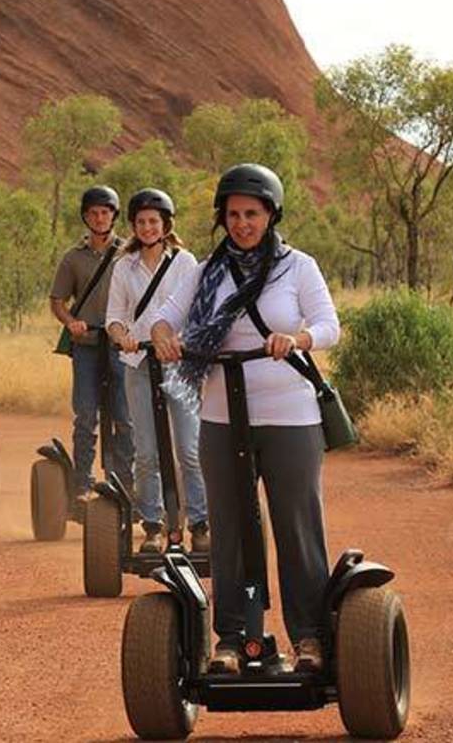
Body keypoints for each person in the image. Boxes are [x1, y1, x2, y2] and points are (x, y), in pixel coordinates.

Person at [150, 163, 340, 676]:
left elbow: (328, 325)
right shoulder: (204, 268)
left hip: (289, 416)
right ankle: (236, 637)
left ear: (271, 214)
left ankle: (309, 637)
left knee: (296, 526)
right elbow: (165, 312)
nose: (242, 223)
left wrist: (296, 339)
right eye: (233, 214)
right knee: (232, 529)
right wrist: (166, 331)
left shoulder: (297, 267)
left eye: (252, 214)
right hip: (221, 416)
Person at [106, 188, 210, 554]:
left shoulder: (185, 262)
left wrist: (182, 340)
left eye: (154, 221)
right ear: (133, 226)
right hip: (137, 364)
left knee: (190, 448)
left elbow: (198, 312)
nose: (148, 227)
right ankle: (152, 526)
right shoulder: (123, 266)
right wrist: (123, 339)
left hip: (178, 366)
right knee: (146, 452)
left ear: (166, 224)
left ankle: (200, 524)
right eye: (141, 222)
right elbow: (114, 318)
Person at [50, 186, 134, 503]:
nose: (100, 218)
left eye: (105, 212)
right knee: (86, 415)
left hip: (121, 346)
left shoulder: (130, 254)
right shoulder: (73, 258)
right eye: (94, 213)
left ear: (114, 215)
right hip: (86, 344)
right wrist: (70, 321)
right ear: (86, 217)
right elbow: (58, 301)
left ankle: (125, 485)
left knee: (125, 418)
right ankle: (82, 487)